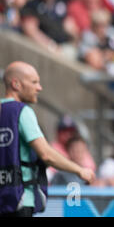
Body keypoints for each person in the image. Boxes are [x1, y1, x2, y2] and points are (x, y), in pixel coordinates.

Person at [0, 61, 95, 217]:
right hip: (20, 200)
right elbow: (46, 154)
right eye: (34, 82)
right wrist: (79, 170)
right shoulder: (22, 111)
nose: (39, 88)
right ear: (16, 84)